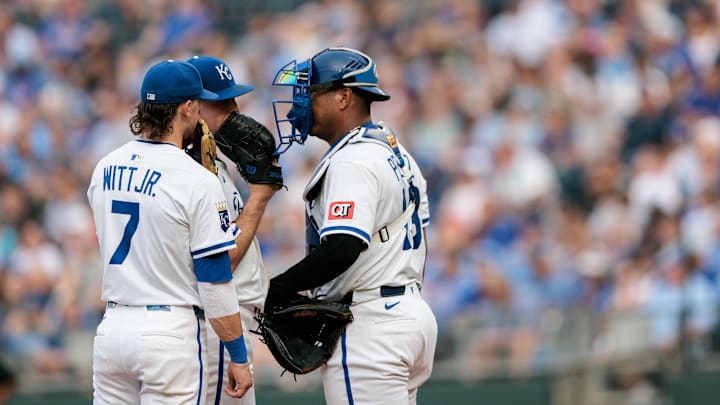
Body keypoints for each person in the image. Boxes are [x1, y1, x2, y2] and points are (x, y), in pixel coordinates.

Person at [268, 47, 438, 404]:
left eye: (310, 94)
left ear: (344, 97)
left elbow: (344, 244)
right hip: (407, 313)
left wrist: (281, 287)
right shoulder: (394, 151)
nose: (300, 104)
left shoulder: (353, 159)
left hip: (371, 327)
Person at [87, 59, 253, 404]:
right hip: (168, 332)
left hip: (113, 328)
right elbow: (215, 280)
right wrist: (238, 355)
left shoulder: (104, 167)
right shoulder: (197, 180)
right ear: (188, 107)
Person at [187, 55, 278, 405]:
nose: (235, 110)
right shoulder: (193, 172)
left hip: (228, 322)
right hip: (218, 325)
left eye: (233, 99)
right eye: (222, 103)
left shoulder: (212, 162)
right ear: (190, 108)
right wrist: (258, 198)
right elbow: (223, 261)